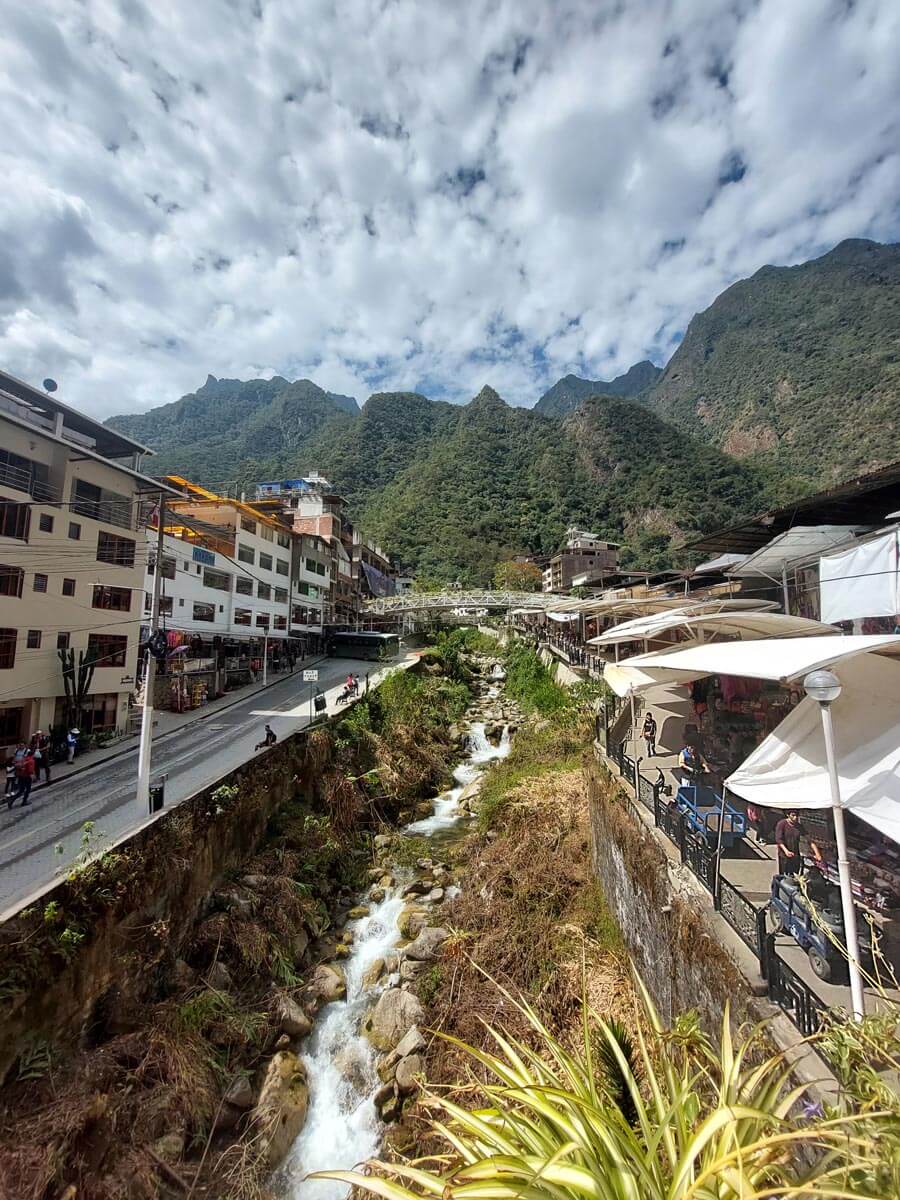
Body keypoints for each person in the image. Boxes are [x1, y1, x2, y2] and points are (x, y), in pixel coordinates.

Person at [774, 809, 820, 877]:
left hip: (795, 854)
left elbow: (809, 840)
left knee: (795, 875)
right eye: (793, 815)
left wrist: (817, 854)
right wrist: (786, 851)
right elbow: (779, 840)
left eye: (796, 816)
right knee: (784, 876)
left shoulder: (799, 826)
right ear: (788, 815)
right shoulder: (782, 824)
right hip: (784, 855)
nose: (795, 818)